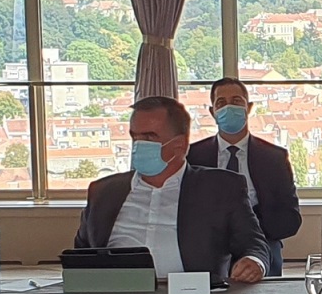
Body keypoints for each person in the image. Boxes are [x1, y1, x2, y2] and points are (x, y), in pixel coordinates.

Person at [73, 96, 269, 283]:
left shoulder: (220, 188)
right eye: (134, 136)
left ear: (179, 145)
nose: (138, 145)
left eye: (149, 137)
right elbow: (82, 255)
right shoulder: (103, 192)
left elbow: (253, 244)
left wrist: (253, 262)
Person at [187, 77, 301, 275]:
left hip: (262, 239)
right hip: (208, 242)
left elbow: (290, 218)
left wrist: (251, 230)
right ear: (212, 111)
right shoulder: (193, 156)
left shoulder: (274, 158)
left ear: (248, 108)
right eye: (221, 103)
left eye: (236, 101)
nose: (229, 107)